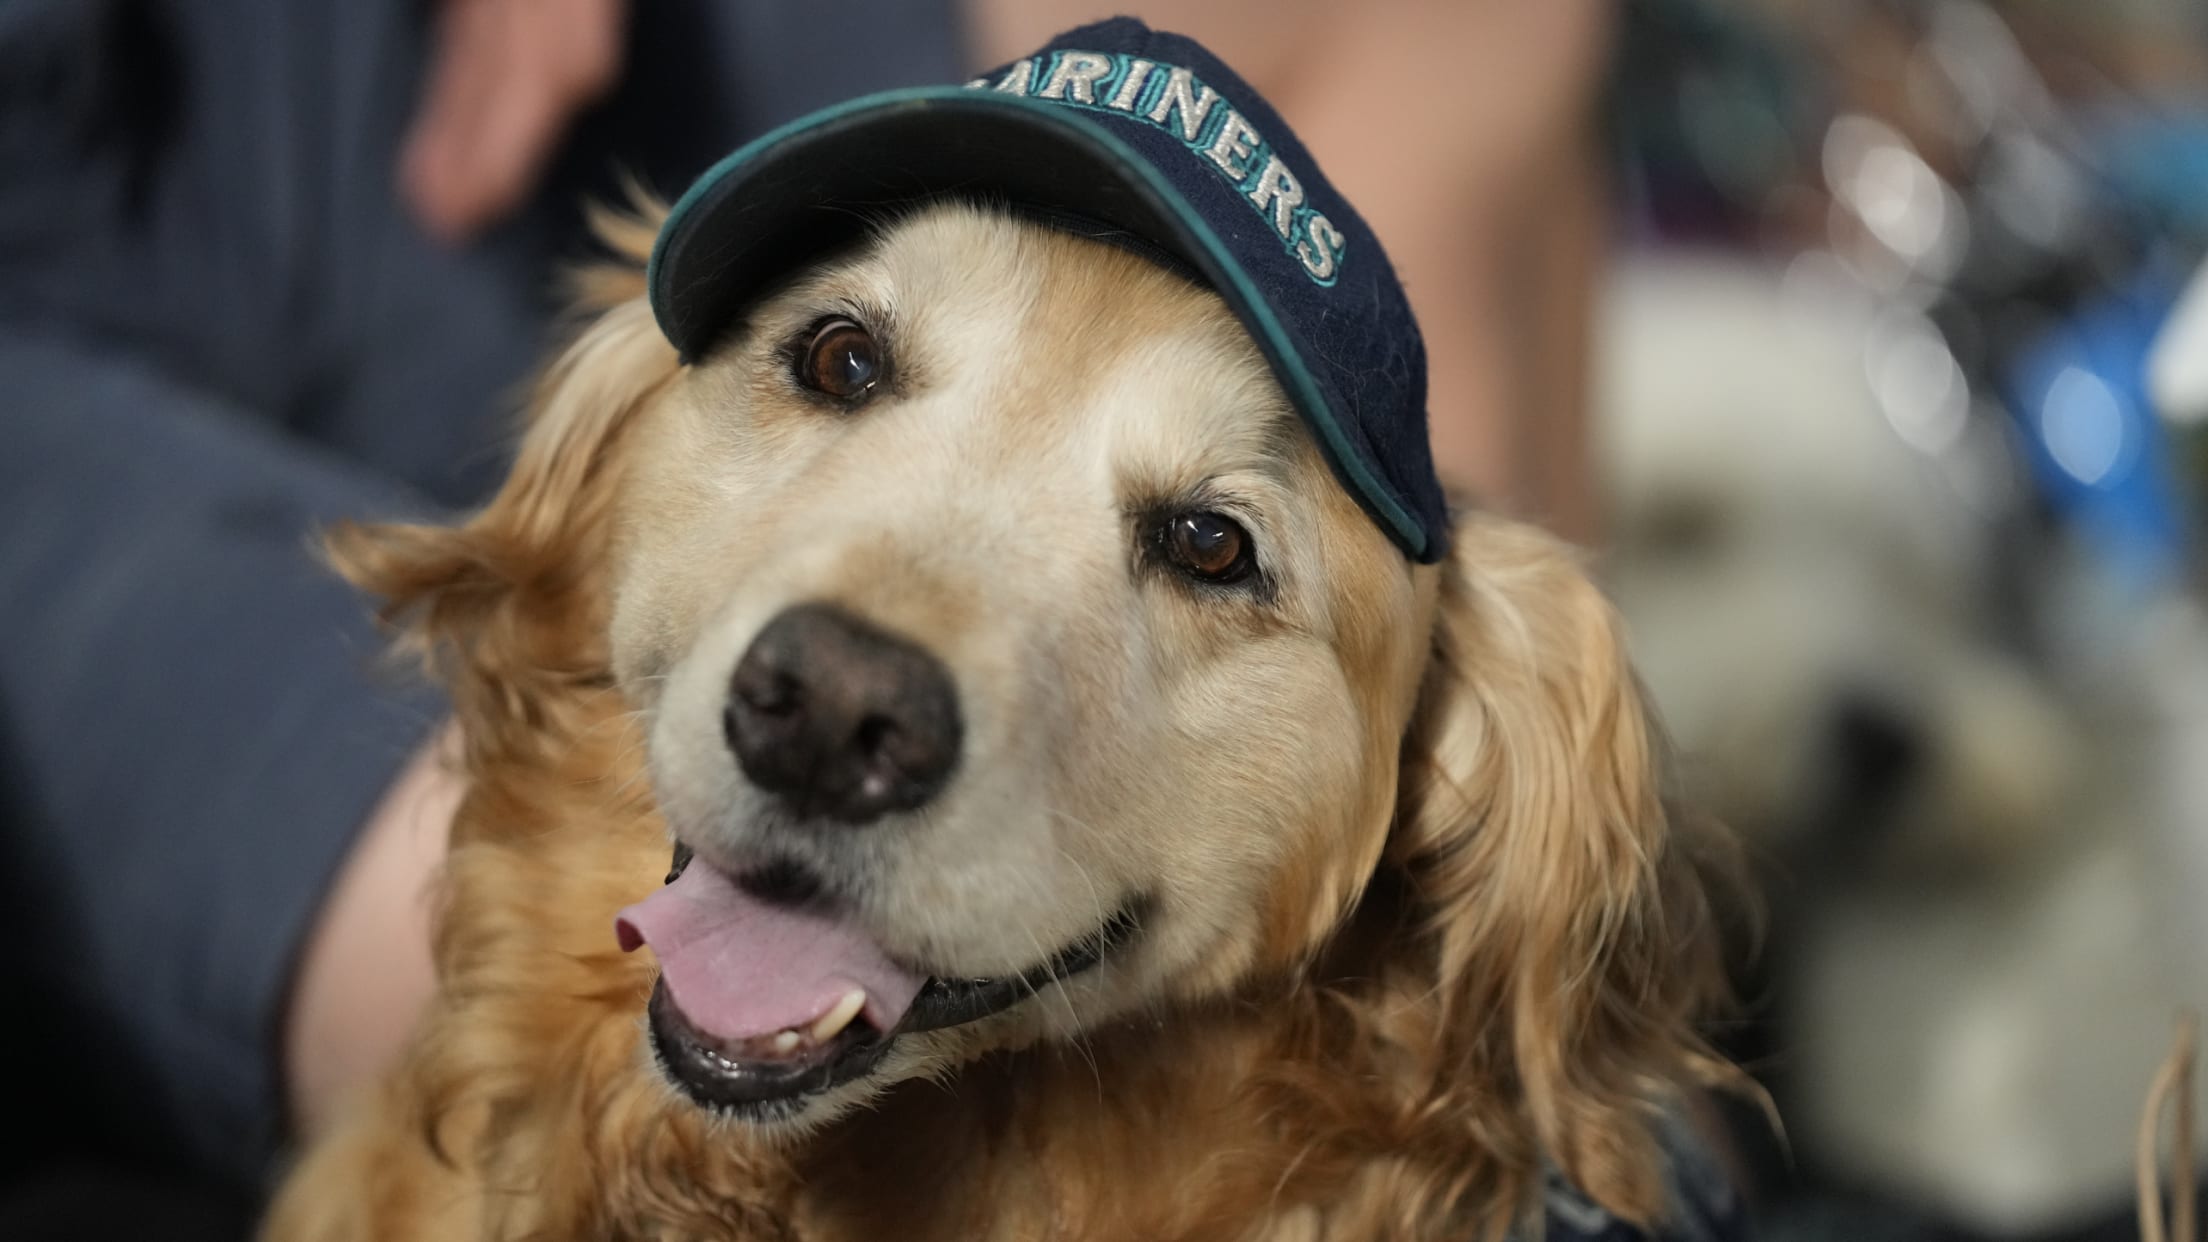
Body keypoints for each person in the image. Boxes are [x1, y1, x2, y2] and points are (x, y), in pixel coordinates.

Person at [5, 3, 1698, 1237]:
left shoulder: (1500, 719)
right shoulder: (630, 428)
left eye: (1202, 544)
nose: (857, 674)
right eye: (844, 362)